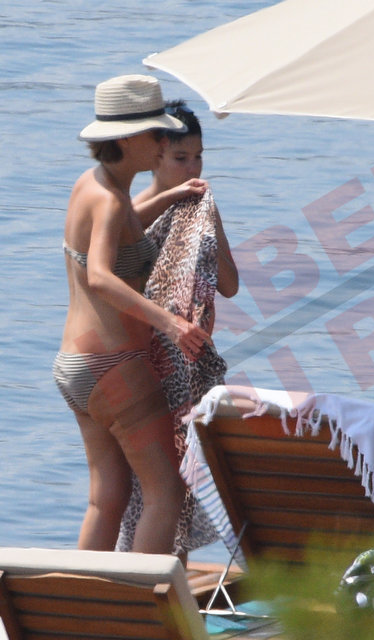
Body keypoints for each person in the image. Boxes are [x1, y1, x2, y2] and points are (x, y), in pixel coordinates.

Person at [53, 74, 212, 553]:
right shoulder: (108, 199)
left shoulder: (96, 185)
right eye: (157, 134)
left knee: (107, 497)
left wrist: (166, 198)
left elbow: (120, 233)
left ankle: (76, 597)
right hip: (114, 367)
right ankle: (139, 600)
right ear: (125, 139)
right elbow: (100, 276)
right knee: (167, 492)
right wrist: (171, 322)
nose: (164, 143)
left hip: (75, 368)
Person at [114, 100, 239, 559]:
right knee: (146, 485)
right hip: (145, 362)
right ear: (155, 157)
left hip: (191, 363)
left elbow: (230, 286)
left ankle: (174, 581)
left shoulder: (201, 206)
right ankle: (136, 582)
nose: (193, 168)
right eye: (181, 158)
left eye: (199, 157)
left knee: (182, 484)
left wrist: (209, 222)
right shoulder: (130, 210)